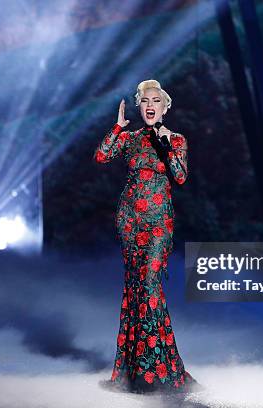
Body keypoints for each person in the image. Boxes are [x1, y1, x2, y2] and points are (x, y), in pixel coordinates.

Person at [94, 79, 199, 393]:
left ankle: (155, 374)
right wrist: (117, 127)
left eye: (156, 100)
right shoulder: (130, 138)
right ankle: (133, 372)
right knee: (136, 289)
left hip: (158, 224)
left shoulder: (176, 139)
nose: (150, 104)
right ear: (140, 107)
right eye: (145, 100)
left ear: (165, 107)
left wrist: (166, 144)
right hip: (129, 220)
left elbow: (180, 177)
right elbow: (101, 156)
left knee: (151, 285)